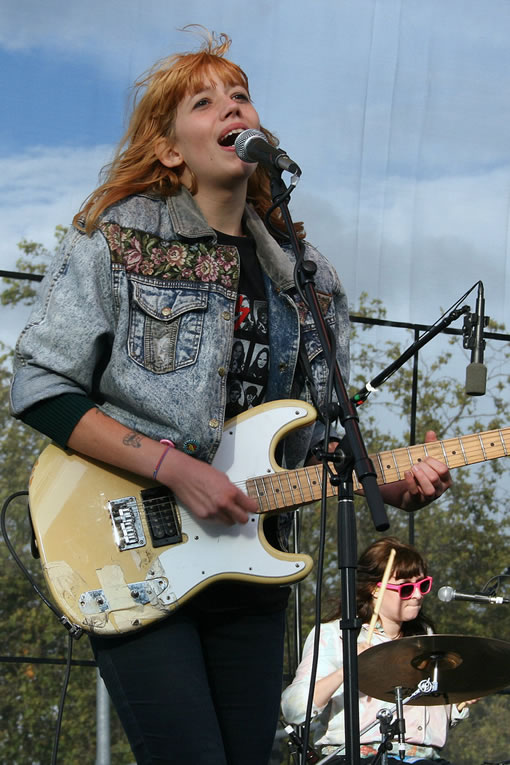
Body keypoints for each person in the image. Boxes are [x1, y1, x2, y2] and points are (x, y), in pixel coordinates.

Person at [10, 28, 452, 765]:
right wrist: (173, 466)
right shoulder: (118, 237)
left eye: (240, 95)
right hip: (131, 553)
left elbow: (327, 438)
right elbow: (40, 386)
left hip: (250, 571)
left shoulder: (309, 278)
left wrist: (396, 482)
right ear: (170, 149)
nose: (231, 108)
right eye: (204, 100)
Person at [281, 537, 470, 764]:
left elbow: (422, 723)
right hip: (356, 758)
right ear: (375, 590)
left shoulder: (425, 637)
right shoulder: (336, 635)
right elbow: (294, 710)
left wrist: (458, 705)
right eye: (407, 588)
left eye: (423, 585)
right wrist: (347, 668)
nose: (418, 595)